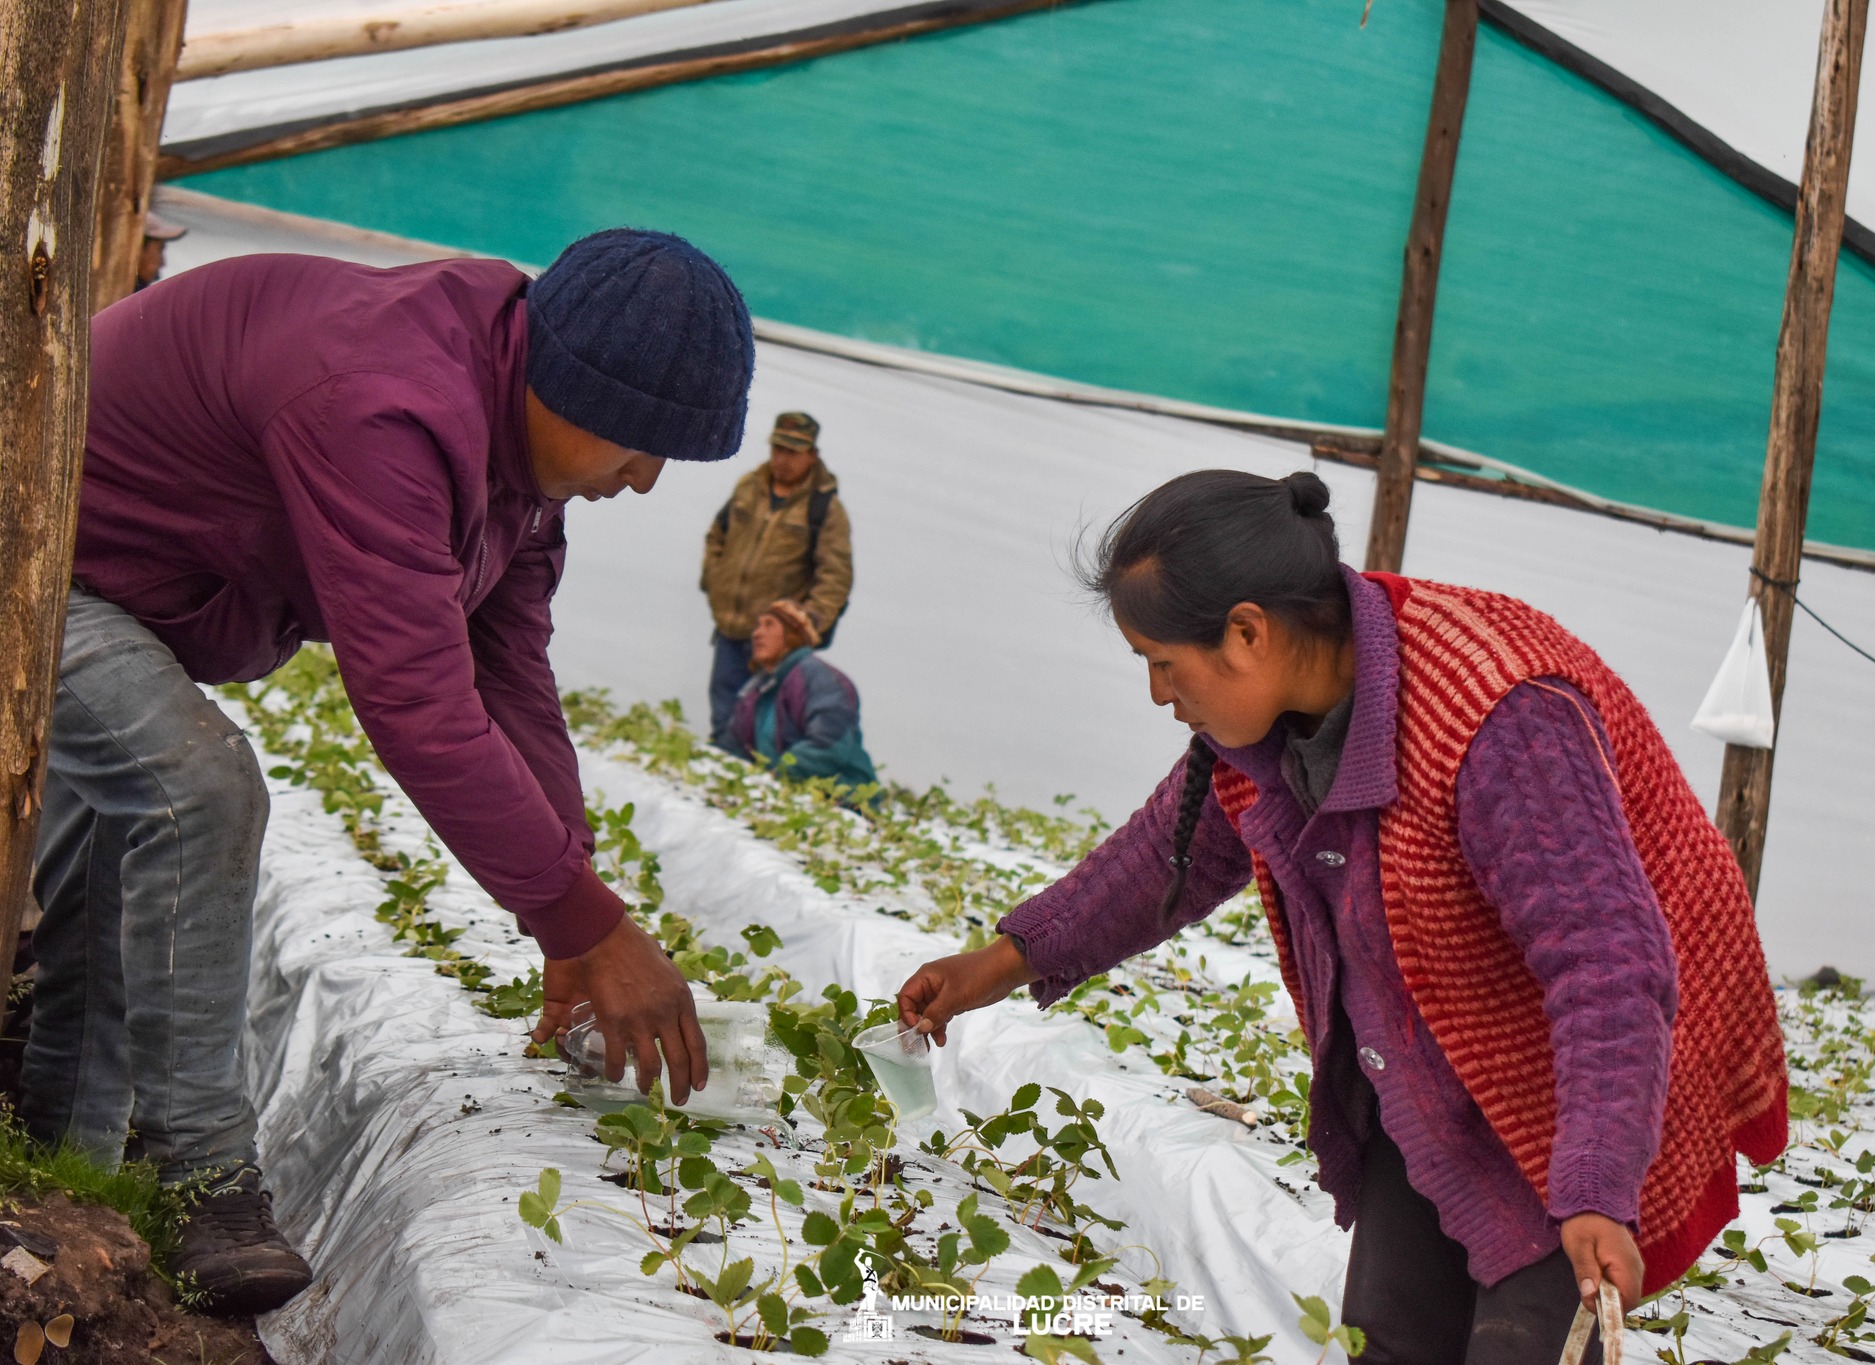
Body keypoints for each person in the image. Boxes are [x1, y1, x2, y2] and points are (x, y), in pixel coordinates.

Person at [894, 470, 1788, 1363]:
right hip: (1430, 1043)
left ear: (1247, 631)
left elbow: (1609, 966)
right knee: (1388, 1338)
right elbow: (1165, 853)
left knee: (1526, 1335)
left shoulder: (1498, 715)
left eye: (1163, 662)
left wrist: (1596, 1183)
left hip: (1600, 1064)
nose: (1161, 693)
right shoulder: (1266, 726)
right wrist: (1001, 961)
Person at [37, 228, 753, 1314]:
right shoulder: (385, 403)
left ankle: (57, 1176)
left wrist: (569, 901)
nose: (643, 481)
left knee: (122, 849)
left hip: (123, 584)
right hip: (31, 550)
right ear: (565, 386)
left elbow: (508, 676)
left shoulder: (516, 466)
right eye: (636, 446)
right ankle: (204, 1183)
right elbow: (416, 704)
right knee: (200, 788)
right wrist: (585, 924)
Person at [700, 410, 852, 738]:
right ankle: (717, 773)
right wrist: (714, 581)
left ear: (812, 455)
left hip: (777, 643)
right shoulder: (749, 487)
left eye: (793, 452)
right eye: (778, 449)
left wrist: (803, 622)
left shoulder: (826, 509)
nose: (783, 459)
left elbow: (835, 577)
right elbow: (717, 535)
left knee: (765, 728)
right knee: (723, 715)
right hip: (731, 627)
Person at [717, 600, 879, 796]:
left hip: (840, 800)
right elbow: (731, 744)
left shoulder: (820, 679)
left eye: (769, 625)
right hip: (783, 794)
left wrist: (776, 775)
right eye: (757, 626)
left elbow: (828, 745)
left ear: (793, 634)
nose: (756, 634)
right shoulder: (755, 690)